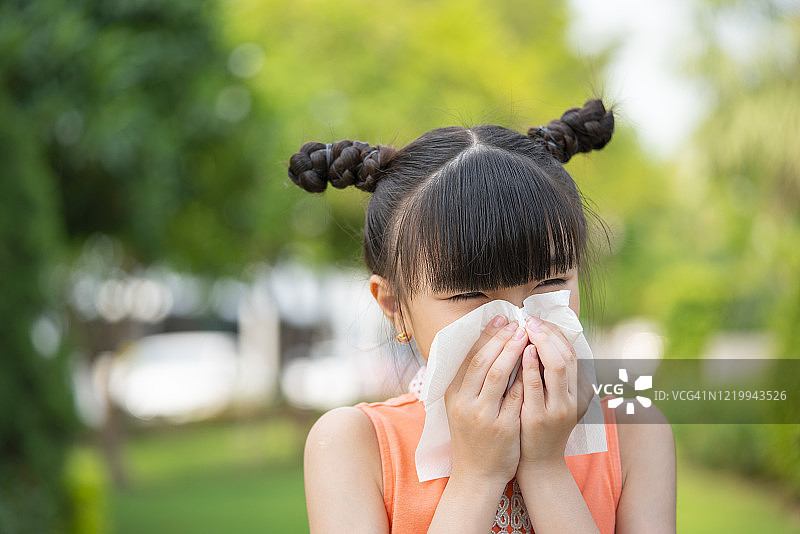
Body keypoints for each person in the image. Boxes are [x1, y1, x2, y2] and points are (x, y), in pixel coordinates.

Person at [287, 99, 676, 533]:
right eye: (471, 293)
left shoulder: (635, 435)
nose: (517, 322)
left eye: (549, 283)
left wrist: (546, 467)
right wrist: (477, 476)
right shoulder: (354, 445)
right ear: (396, 307)